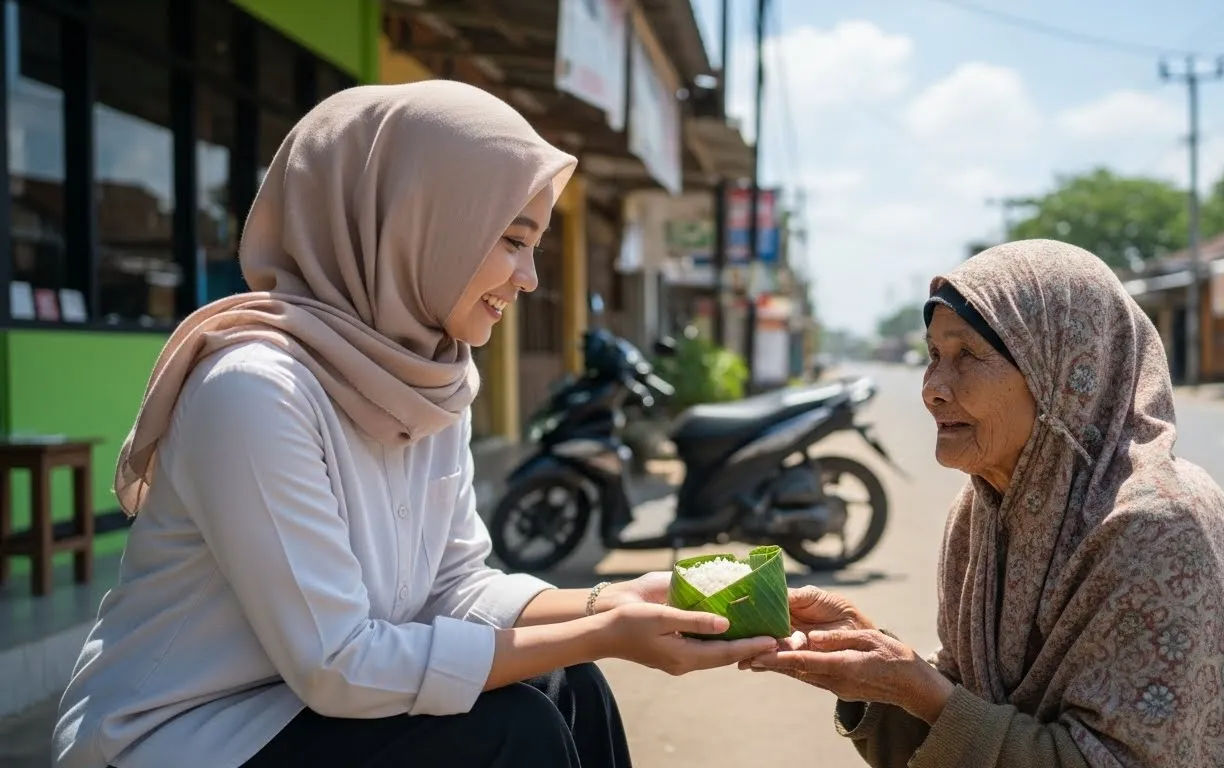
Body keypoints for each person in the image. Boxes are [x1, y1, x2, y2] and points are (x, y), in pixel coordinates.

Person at [52, 82, 776, 768]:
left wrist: (610, 603)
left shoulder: (426, 376)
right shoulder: (253, 392)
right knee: (510, 732)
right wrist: (606, 633)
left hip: (306, 708)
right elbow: (337, 665)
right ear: (416, 224)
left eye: (535, 247)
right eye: (511, 240)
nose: (527, 278)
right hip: (180, 735)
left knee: (570, 683)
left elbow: (453, 586)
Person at [747, 240, 1224, 767]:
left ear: (1064, 377)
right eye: (933, 354)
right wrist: (871, 662)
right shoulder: (978, 516)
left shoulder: (1154, 526)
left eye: (968, 354)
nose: (933, 387)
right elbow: (966, 717)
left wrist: (919, 691)